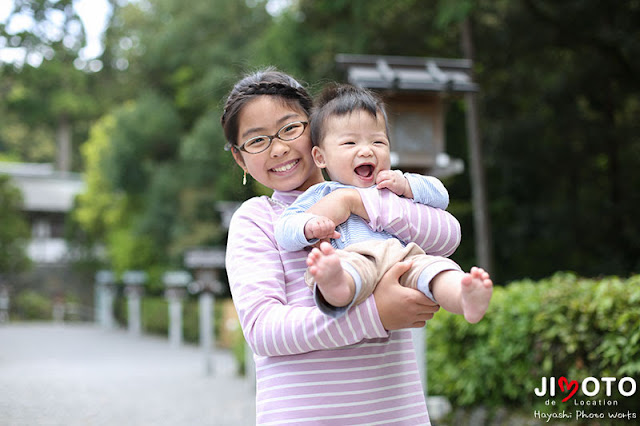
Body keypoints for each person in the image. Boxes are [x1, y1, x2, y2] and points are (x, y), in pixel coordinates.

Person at [221, 68, 461, 425]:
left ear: (317, 129)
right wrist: (375, 314)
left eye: (290, 128)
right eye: (257, 141)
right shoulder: (258, 220)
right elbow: (263, 331)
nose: (280, 148)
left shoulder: (378, 193)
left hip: (395, 413)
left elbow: (448, 235)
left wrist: (353, 202)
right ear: (240, 158)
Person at [275, 84, 493, 324]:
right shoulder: (322, 193)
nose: (367, 151)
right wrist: (308, 226)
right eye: (350, 143)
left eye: (378, 142)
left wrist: (406, 185)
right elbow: (285, 227)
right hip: (355, 256)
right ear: (320, 157)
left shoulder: (393, 183)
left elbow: (440, 195)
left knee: (436, 268)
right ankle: (334, 283)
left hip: (403, 256)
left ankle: (464, 297)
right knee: (346, 272)